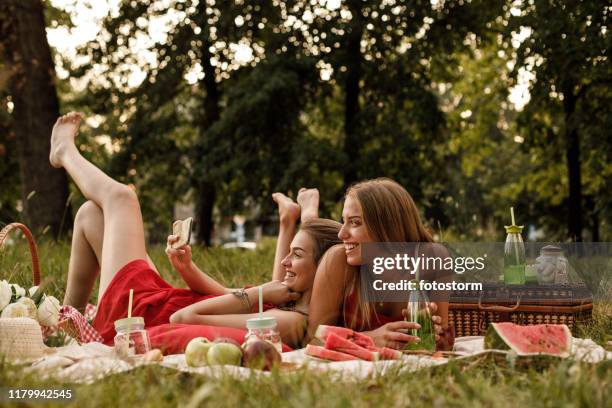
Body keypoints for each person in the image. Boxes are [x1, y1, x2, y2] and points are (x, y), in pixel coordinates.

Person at [53, 112, 340, 350]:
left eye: (297, 255)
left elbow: (185, 317)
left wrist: (259, 293)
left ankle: (65, 152)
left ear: (322, 270)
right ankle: (68, 326)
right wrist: (187, 267)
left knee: (122, 199)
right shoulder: (289, 299)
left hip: (140, 317)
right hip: (160, 300)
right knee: (90, 214)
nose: (285, 263)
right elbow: (227, 295)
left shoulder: (291, 320)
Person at [305, 178, 449, 349]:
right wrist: (368, 339)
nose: (341, 234)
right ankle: (304, 217)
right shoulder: (338, 261)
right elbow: (312, 341)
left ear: (387, 227)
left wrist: (434, 334)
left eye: (355, 222)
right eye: (344, 221)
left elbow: (442, 344)